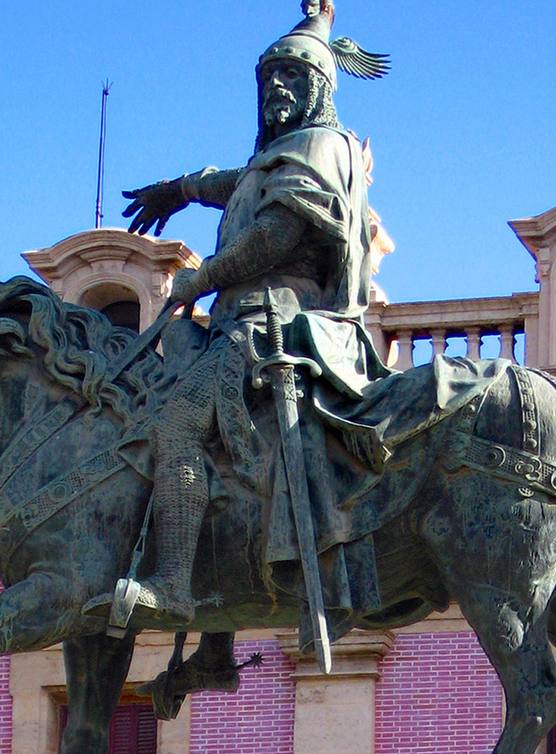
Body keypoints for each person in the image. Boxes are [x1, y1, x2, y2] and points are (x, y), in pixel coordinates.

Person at [87, 3, 390, 631]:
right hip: (238, 323)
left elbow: (275, 236)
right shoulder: (277, 157)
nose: (277, 86)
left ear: (319, 88)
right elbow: (233, 180)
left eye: (291, 76)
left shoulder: (319, 146)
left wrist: (201, 277)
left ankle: (173, 586)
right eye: (268, 77)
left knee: (177, 428)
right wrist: (178, 190)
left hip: (274, 322)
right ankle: (216, 640)